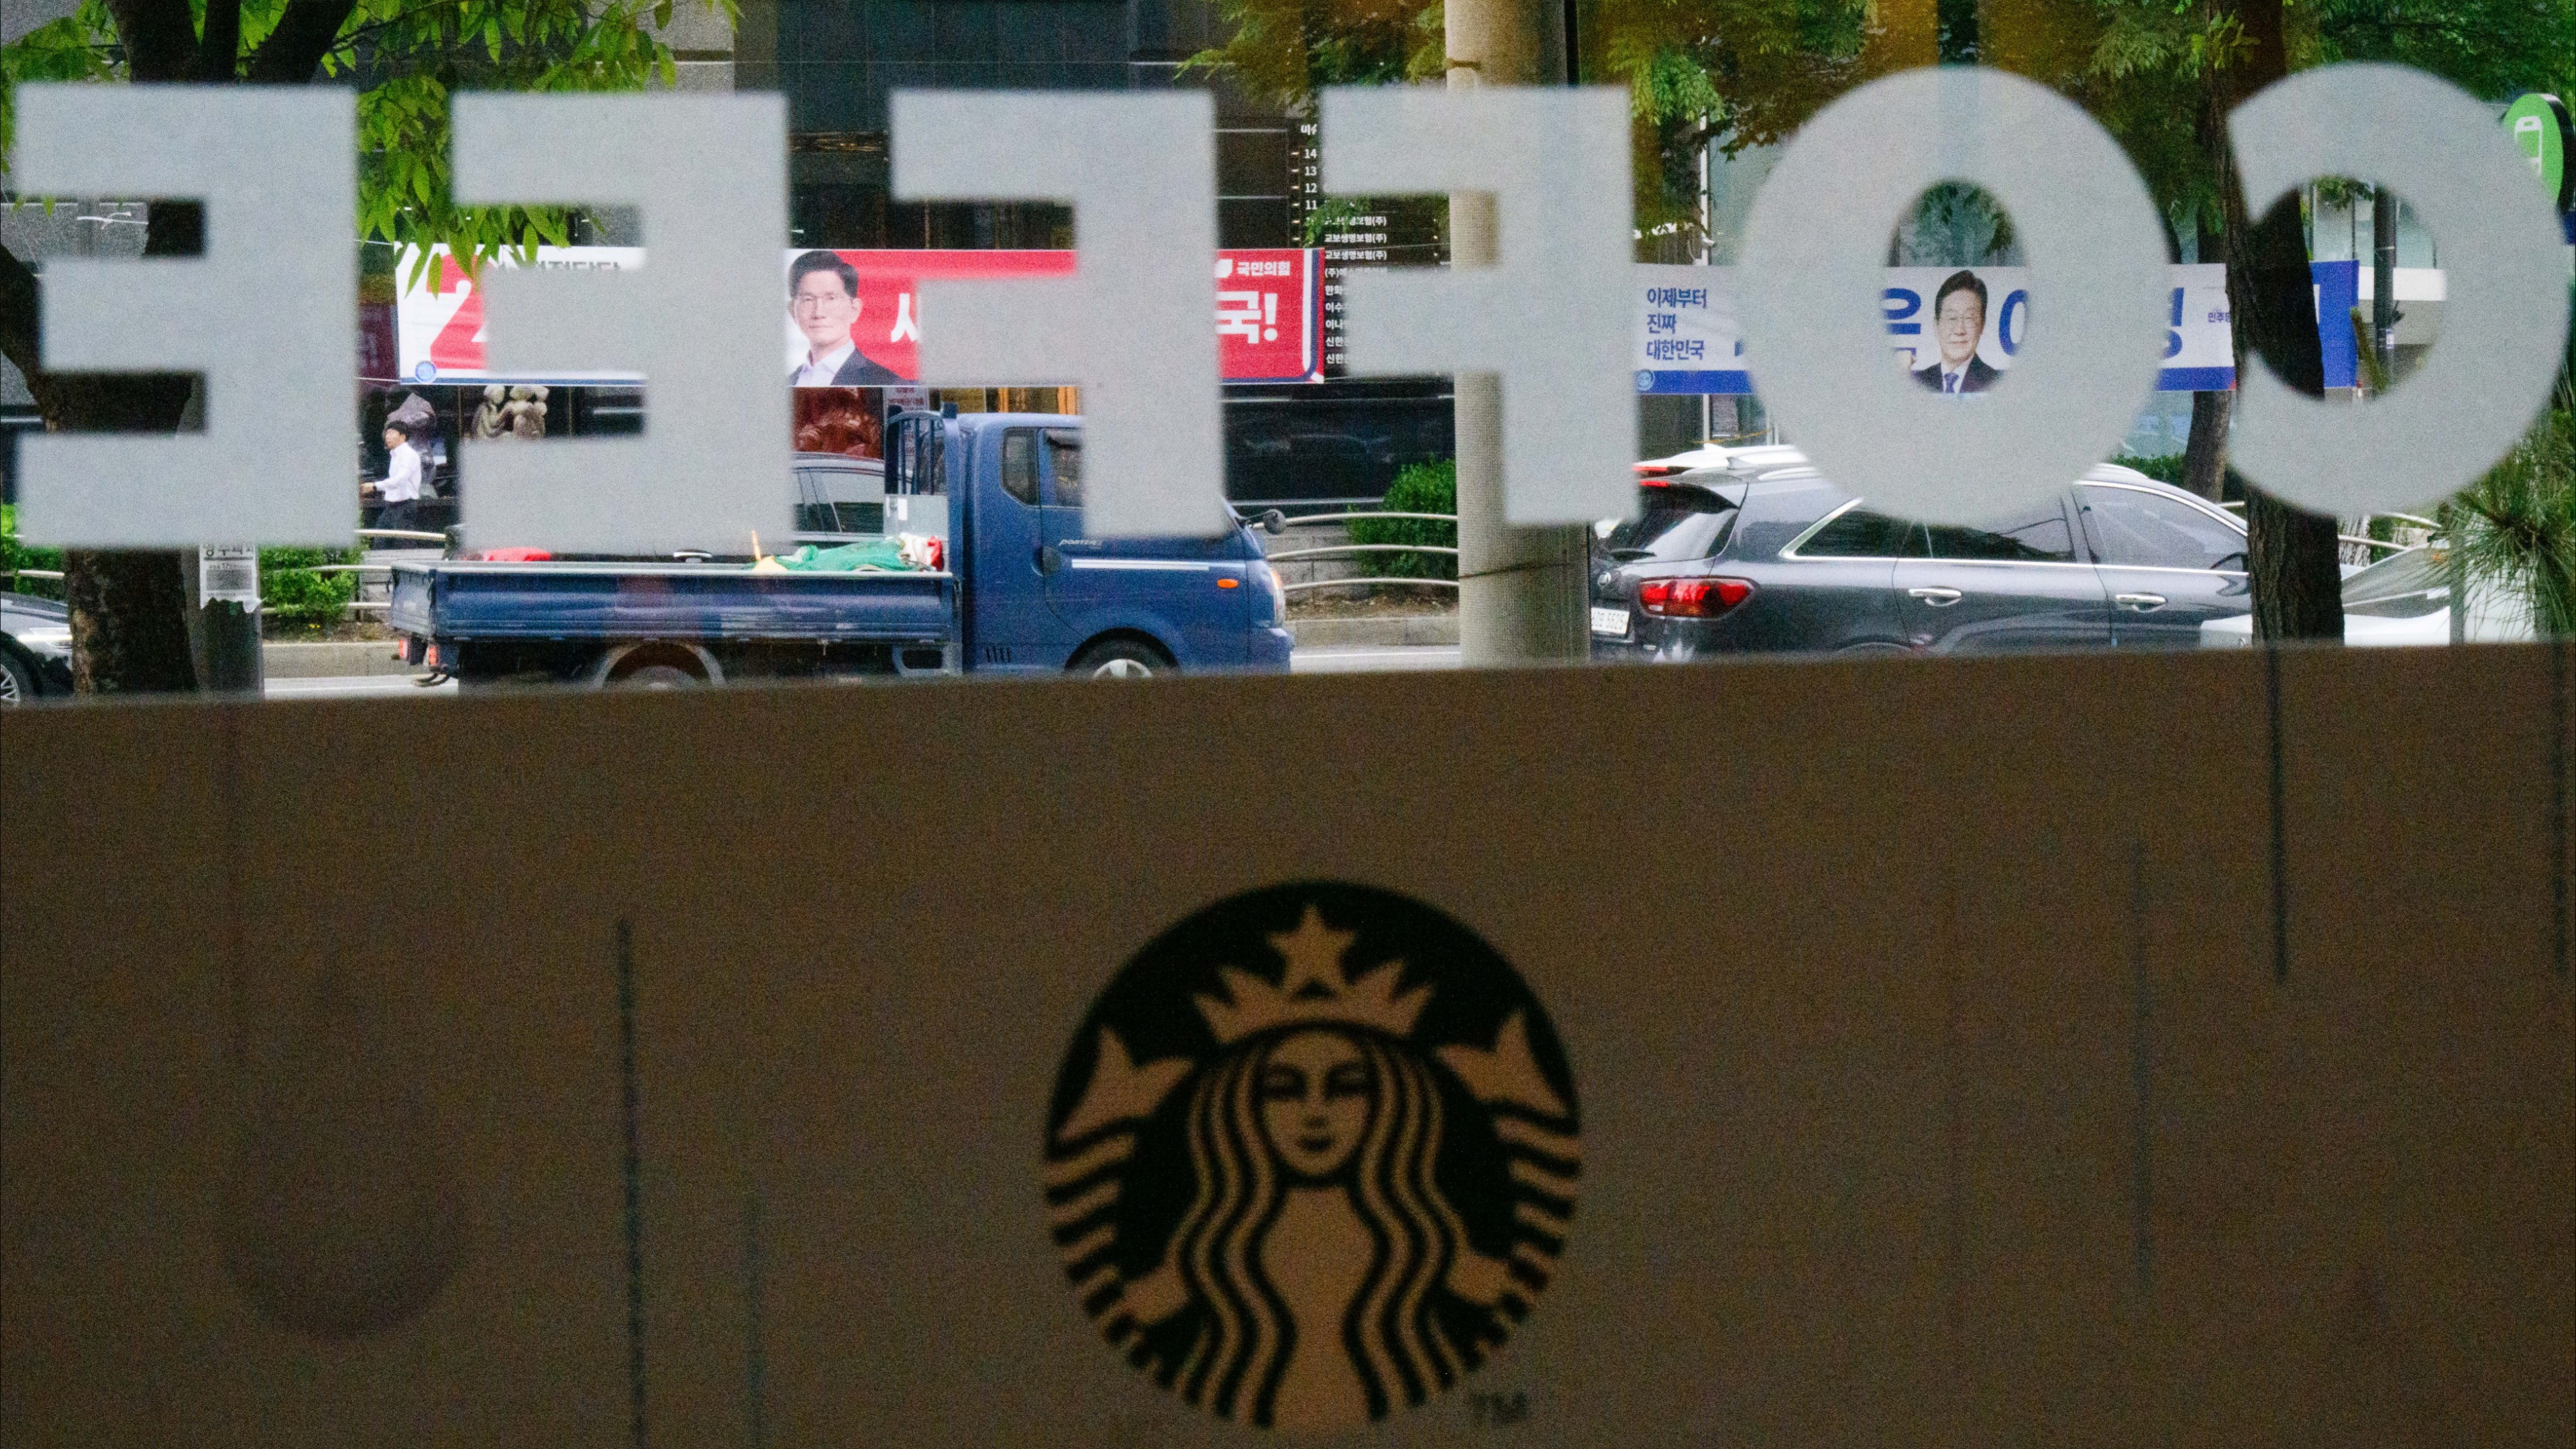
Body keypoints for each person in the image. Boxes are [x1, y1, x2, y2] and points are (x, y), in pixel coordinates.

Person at [788, 250, 902, 386]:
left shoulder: (888, 383)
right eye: (808, 300)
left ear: (854, 309)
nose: (819, 312)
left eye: (831, 298)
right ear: (792, 310)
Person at [1912, 268, 2000, 394]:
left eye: (1969, 318)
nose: (1959, 330)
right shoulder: (1917, 382)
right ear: (1936, 326)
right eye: (1952, 318)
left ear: (1982, 325)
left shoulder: (1997, 383)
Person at [374, 419, 423, 532]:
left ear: (403, 437)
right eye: (387, 433)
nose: (387, 437)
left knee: (403, 540)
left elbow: (400, 480)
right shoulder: (395, 455)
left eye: (392, 433)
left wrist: (375, 486)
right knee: (381, 538)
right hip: (391, 506)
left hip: (405, 506)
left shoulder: (408, 454)